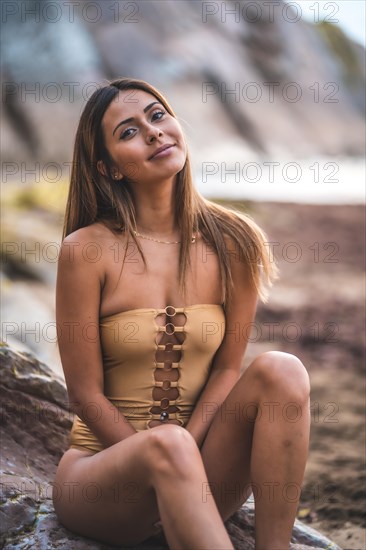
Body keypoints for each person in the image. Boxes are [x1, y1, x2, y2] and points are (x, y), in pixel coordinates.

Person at [53, 77, 310, 549]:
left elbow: (230, 367)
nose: (153, 133)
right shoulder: (85, 251)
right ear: (108, 169)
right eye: (127, 132)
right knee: (165, 445)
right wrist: (167, 456)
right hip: (104, 480)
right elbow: (84, 395)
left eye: (157, 115)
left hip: (202, 463)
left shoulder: (234, 241)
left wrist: (188, 454)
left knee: (282, 370)